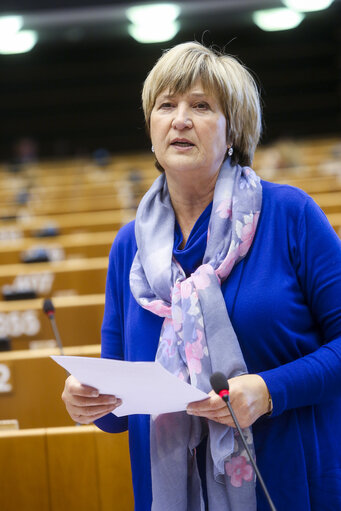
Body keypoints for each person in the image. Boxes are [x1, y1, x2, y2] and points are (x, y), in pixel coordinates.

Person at [62, 41, 341, 511]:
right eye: (166, 105)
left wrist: (270, 391)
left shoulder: (290, 215)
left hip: (289, 485)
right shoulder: (128, 247)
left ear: (233, 130)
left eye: (201, 105)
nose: (180, 119)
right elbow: (120, 415)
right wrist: (89, 401)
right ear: (151, 131)